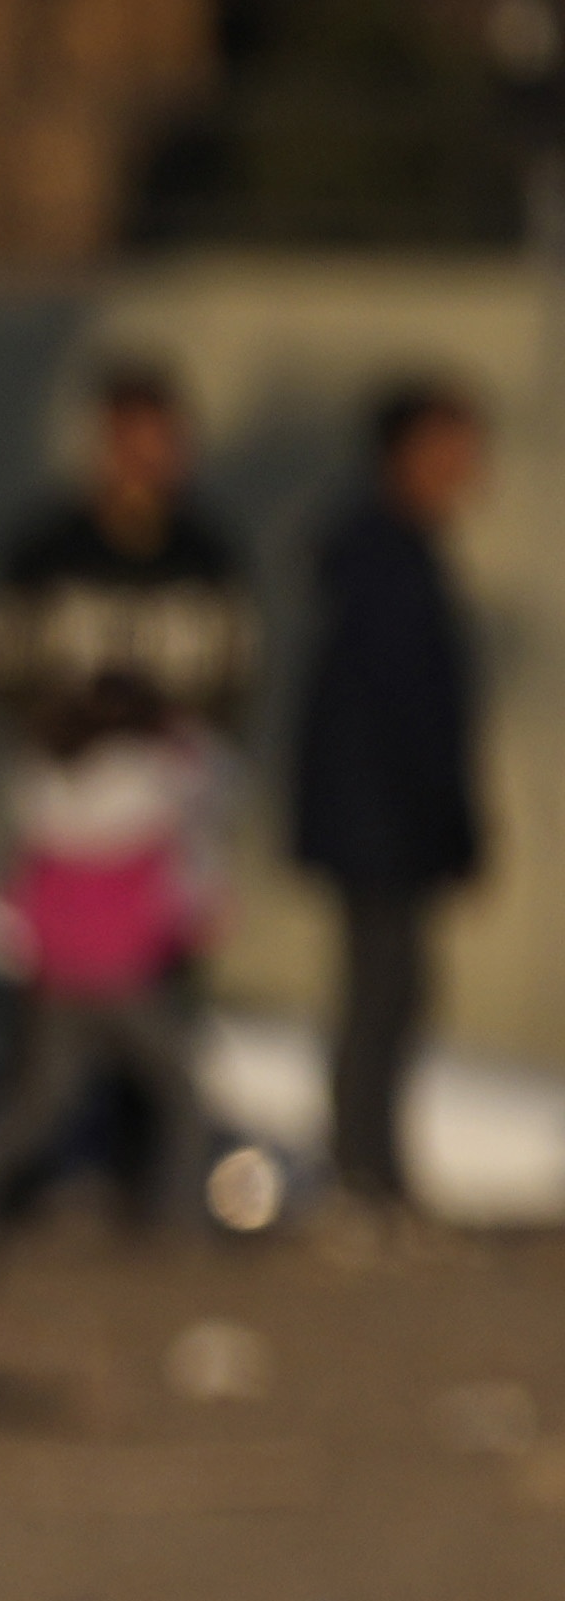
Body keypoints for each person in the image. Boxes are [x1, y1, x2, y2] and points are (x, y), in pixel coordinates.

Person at [0, 361, 255, 1239]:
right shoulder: (46, 549)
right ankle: (0, 1209)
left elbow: (233, 685)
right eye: (131, 441)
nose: (147, 461)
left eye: (163, 442)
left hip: (157, 845)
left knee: (165, 1059)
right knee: (43, 1066)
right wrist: (73, 729)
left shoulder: (205, 552)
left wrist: (167, 738)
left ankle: (151, 1210)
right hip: (66, 849)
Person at [296, 380, 496, 1227]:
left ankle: (377, 1173)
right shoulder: (380, 560)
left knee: (400, 995)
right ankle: (359, 1178)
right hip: (377, 829)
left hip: (395, 828)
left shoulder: (409, 554)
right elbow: (393, 717)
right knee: (379, 998)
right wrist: (431, 819)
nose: (468, 467)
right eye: (451, 447)